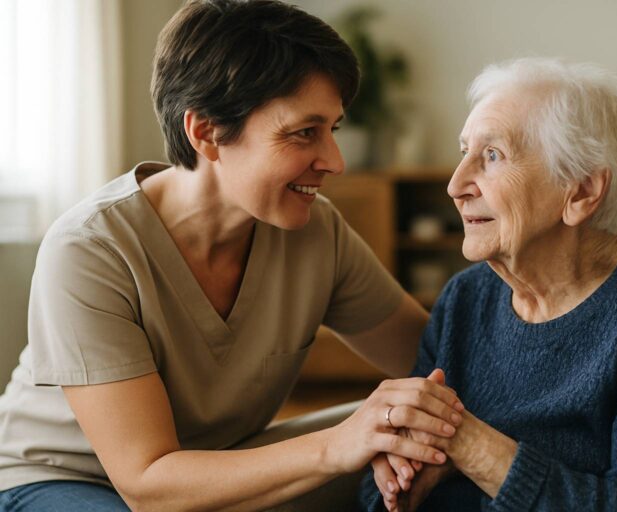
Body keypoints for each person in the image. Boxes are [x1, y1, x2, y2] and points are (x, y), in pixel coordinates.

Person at [0, 1, 463, 510]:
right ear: (207, 133)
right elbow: (146, 482)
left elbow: (437, 362)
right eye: (304, 132)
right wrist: (337, 446)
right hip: (63, 479)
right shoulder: (90, 251)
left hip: (219, 461)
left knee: (411, 427)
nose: (334, 161)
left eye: (332, 129)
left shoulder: (317, 232)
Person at [361, 58, 617, 511]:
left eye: (492, 155)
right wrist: (394, 484)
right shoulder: (464, 298)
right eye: (464, 151)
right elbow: (383, 479)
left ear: (581, 192)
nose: (455, 184)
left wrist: (468, 444)